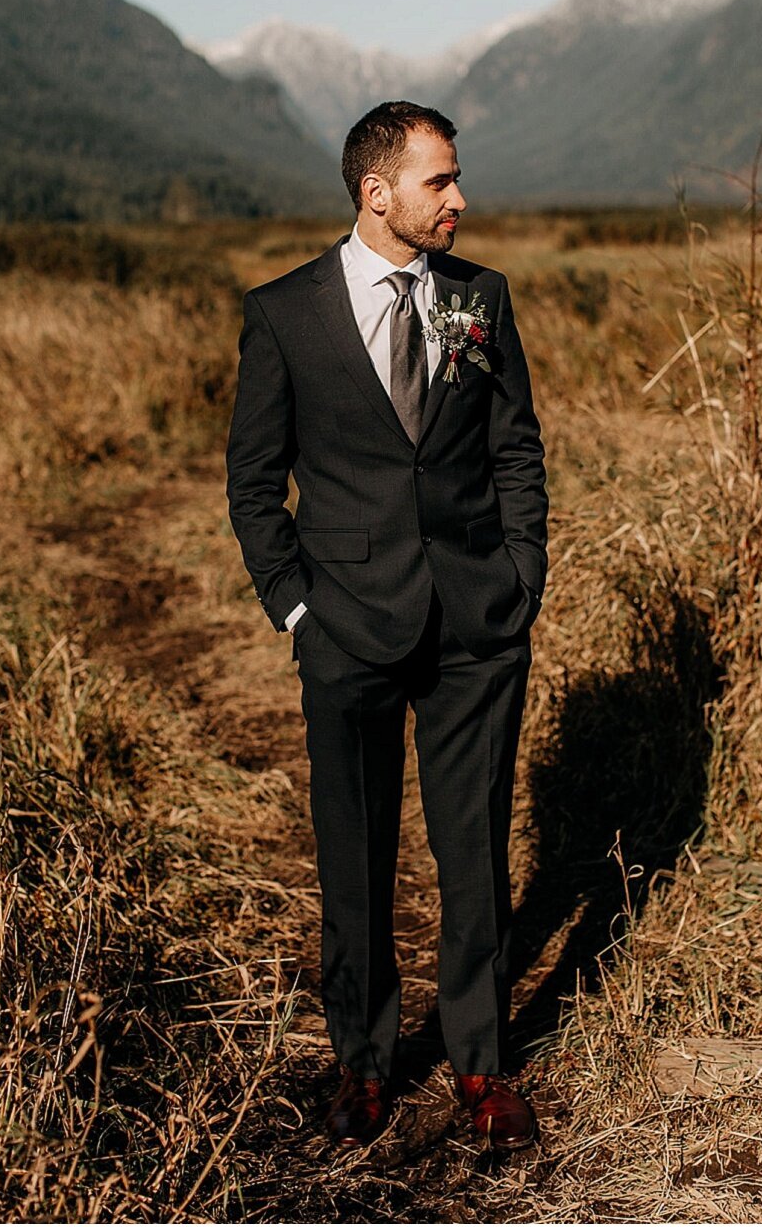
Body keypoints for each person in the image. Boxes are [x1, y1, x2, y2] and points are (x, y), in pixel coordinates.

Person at [225, 100, 547, 1151]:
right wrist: (295, 606)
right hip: (346, 627)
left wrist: (519, 578)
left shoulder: (478, 299)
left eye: (456, 180)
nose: (459, 200)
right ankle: (362, 1065)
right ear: (379, 193)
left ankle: (480, 1066)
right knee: (352, 858)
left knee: (474, 854)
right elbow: (252, 482)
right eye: (439, 182)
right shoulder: (285, 314)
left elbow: (514, 453)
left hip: (473, 623)